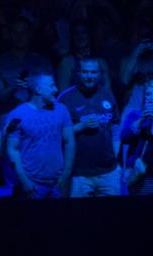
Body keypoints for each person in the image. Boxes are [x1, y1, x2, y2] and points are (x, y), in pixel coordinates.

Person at [57, 57, 120, 197]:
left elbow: (115, 126)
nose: (89, 76)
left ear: (99, 74)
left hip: (109, 172)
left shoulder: (107, 95)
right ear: (77, 73)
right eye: (85, 72)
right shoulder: (65, 98)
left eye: (93, 72)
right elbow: (56, 134)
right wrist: (80, 126)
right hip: (79, 174)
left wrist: (116, 156)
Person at [5, 74, 75, 199]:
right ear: (38, 90)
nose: (56, 89)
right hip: (33, 184)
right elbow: (12, 149)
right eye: (52, 86)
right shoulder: (18, 114)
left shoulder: (61, 110)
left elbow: (69, 142)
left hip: (58, 182)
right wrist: (24, 180)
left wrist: (66, 175)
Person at [0, 16, 55, 115]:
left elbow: (53, 92)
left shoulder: (43, 62)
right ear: (9, 34)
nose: (19, 36)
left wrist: (32, 85)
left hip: (40, 114)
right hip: (10, 114)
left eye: (23, 32)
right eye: (15, 32)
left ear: (29, 34)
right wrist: (15, 85)